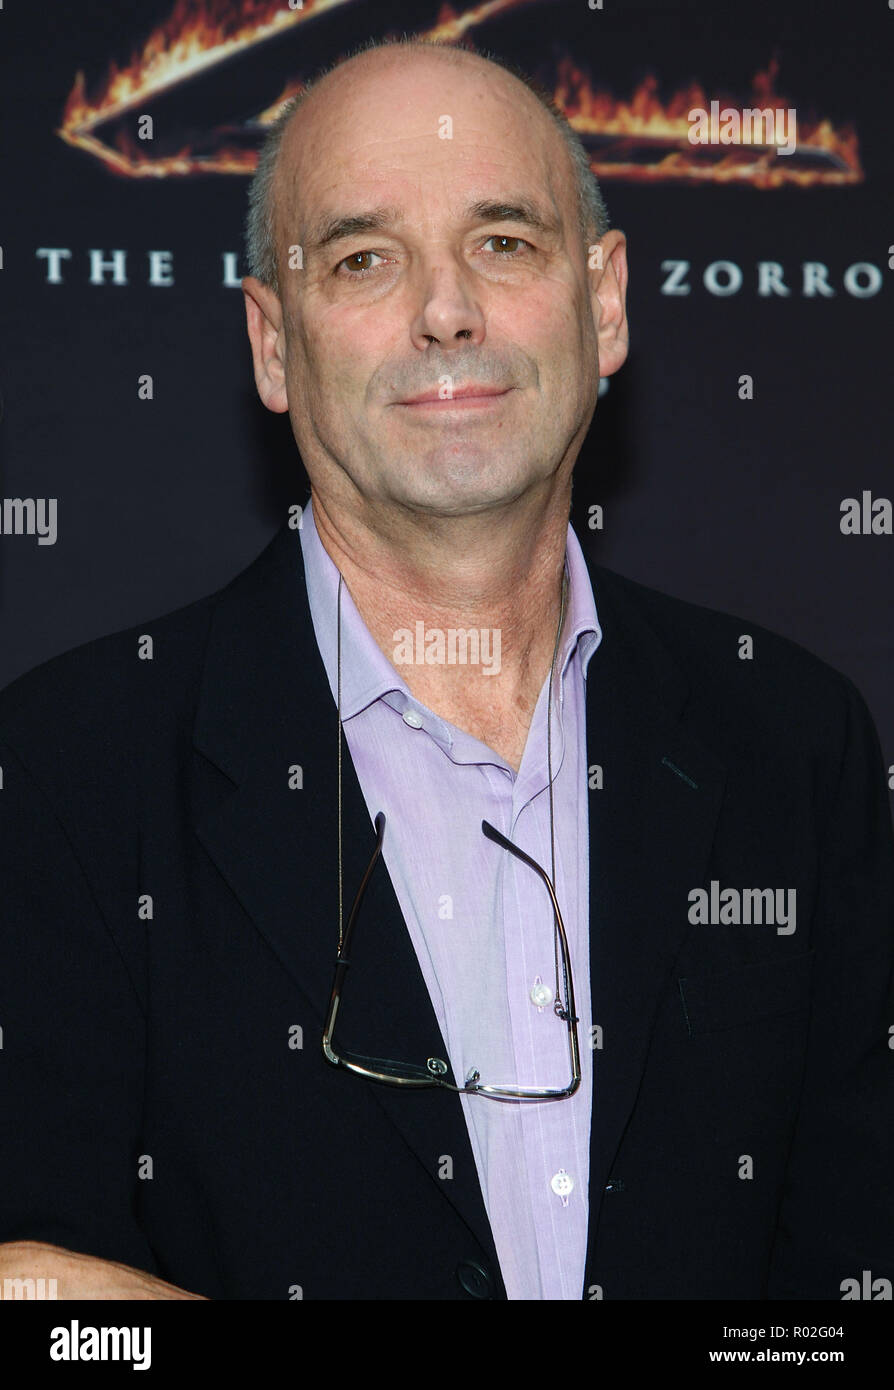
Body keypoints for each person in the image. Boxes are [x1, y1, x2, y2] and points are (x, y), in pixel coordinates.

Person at [0, 35, 892, 1302]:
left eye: (505, 242)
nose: (446, 310)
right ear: (270, 343)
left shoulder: (796, 747)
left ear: (607, 304)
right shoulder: (63, 773)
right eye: (365, 258)